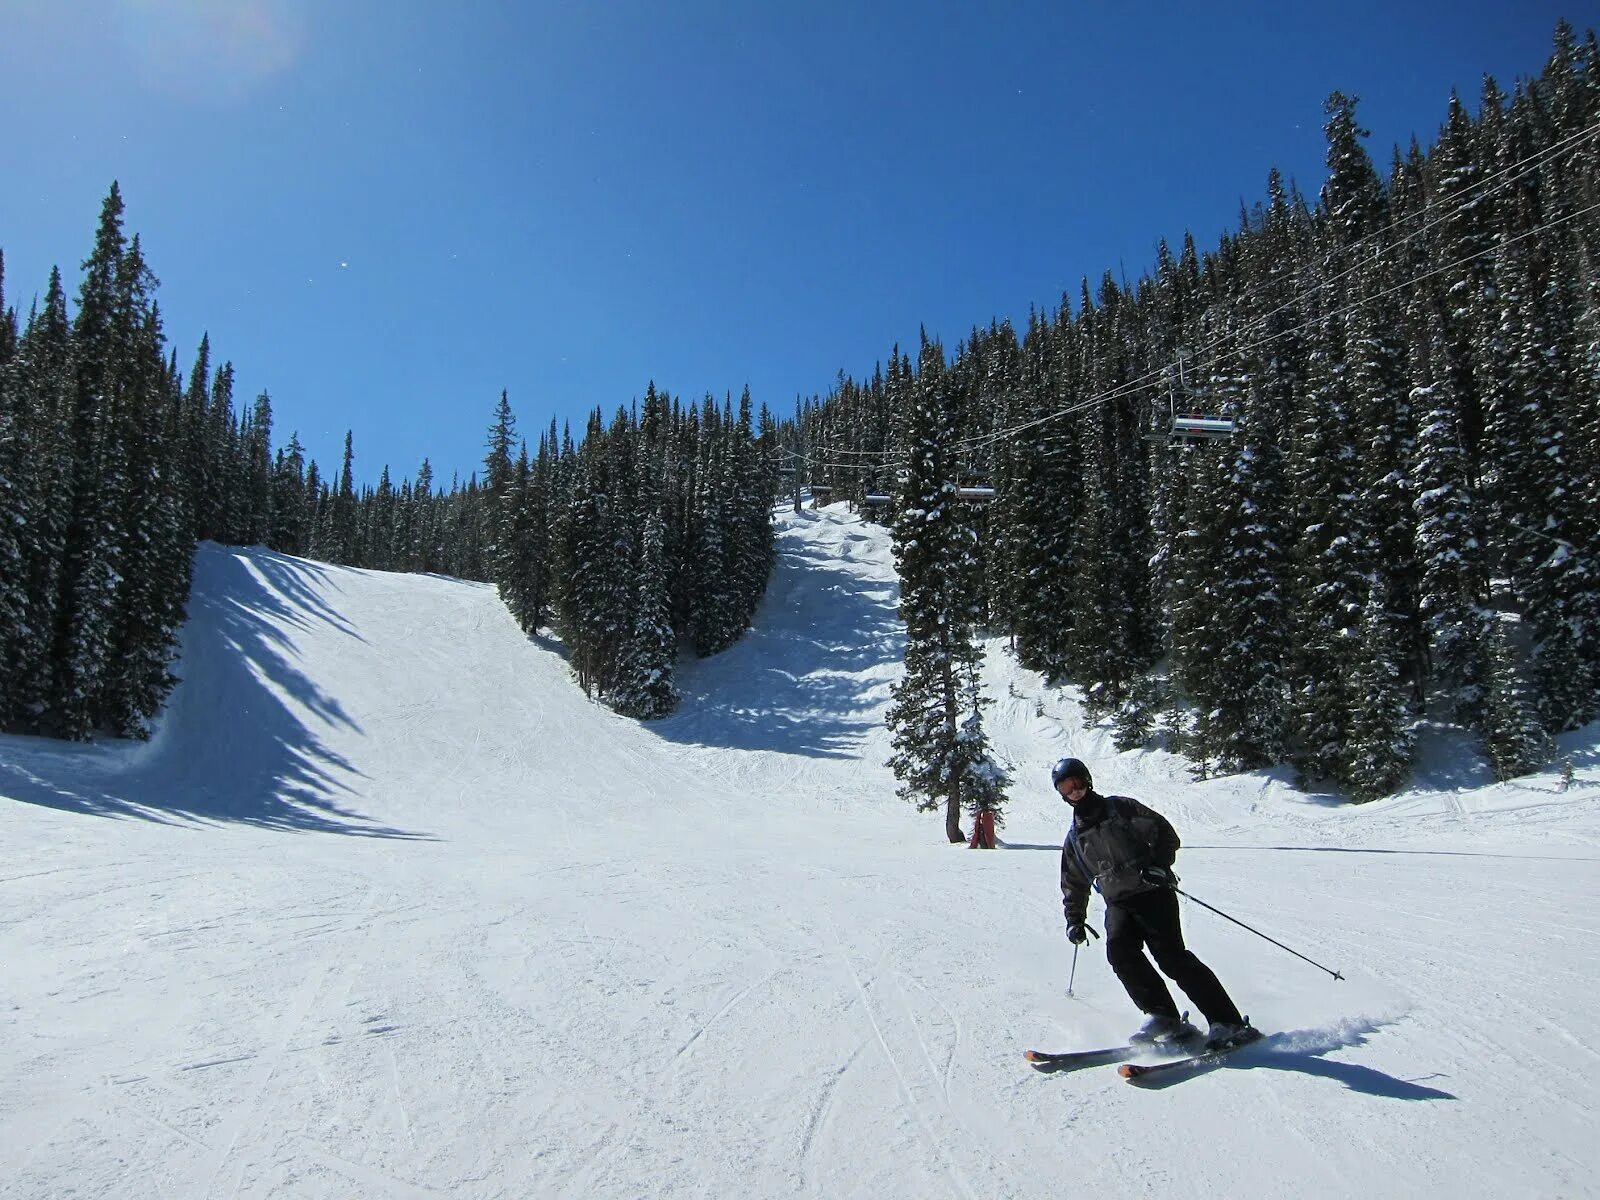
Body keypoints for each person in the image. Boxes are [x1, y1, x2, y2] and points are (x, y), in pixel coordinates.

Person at [1053, 756, 1250, 1049]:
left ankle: (1227, 1021)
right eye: (1067, 788)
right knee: (1120, 952)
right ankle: (1163, 1016)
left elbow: (1164, 832)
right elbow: (1074, 881)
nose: (1075, 792)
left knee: (1170, 956)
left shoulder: (1119, 808)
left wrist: (1158, 864)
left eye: (1078, 784)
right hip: (1118, 902)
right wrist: (1075, 920)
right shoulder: (1075, 837)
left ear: (1088, 781)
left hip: (1152, 891)